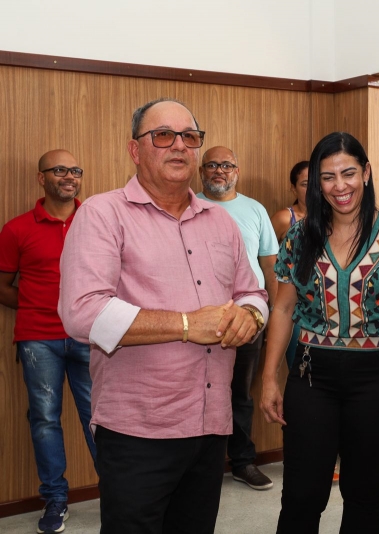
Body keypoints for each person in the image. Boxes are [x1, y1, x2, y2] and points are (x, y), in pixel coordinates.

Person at [58, 98, 268, 534]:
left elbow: (253, 290)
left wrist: (251, 314)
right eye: (163, 136)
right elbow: (83, 312)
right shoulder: (102, 214)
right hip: (139, 431)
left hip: (212, 423)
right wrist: (188, 326)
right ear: (135, 150)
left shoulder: (221, 222)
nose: (179, 147)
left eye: (189, 137)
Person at [260, 132, 379, 533]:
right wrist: (269, 377)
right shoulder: (301, 235)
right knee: (302, 494)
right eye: (328, 177)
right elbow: (283, 306)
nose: (340, 186)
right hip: (311, 375)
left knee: (363, 494)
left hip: (378, 376)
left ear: (366, 173)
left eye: (349, 173)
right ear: (317, 183)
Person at [0, 150, 96, 534]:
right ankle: (56, 499)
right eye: (59, 170)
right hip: (39, 340)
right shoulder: (16, 229)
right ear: (42, 178)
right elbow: (3, 286)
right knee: (44, 419)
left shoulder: (97, 221)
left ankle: (122, 492)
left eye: (75, 170)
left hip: (91, 335)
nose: (69, 176)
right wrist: (39, 305)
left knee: (100, 418)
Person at [197, 146, 279, 491]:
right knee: (200, 392)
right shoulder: (189, 205)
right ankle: (202, 468)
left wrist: (273, 314)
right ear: (201, 172)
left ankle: (243, 462)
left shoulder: (255, 210)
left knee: (240, 393)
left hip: (248, 318)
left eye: (227, 165)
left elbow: (270, 266)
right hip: (201, 319)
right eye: (212, 165)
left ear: (237, 171)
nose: (220, 171)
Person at [270, 160, 309, 368]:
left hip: (324, 308)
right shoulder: (285, 218)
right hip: (293, 307)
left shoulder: (334, 219)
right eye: (305, 184)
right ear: (293, 187)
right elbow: (266, 261)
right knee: (299, 368)